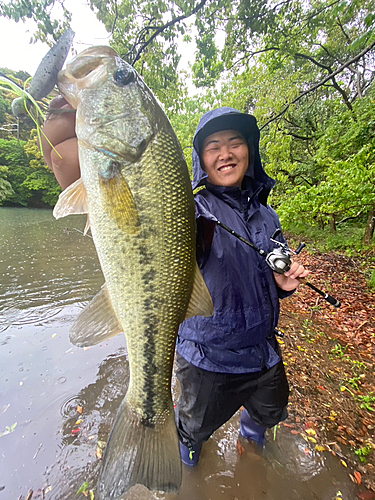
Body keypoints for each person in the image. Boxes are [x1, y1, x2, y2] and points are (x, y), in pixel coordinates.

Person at [40, 102, 309, 468]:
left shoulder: (267, 213)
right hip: (207, 360)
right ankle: (181, 465)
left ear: (250, 149)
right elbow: (107, 192)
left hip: (264, 354)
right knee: (192, 430)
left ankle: (252, 439)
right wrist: (67, 142)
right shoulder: (188, 209)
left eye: (235, 142)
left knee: (267, 413)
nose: (226, 153)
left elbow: (268, 275)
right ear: (200, 158)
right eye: (214, 146)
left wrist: (283, 283)